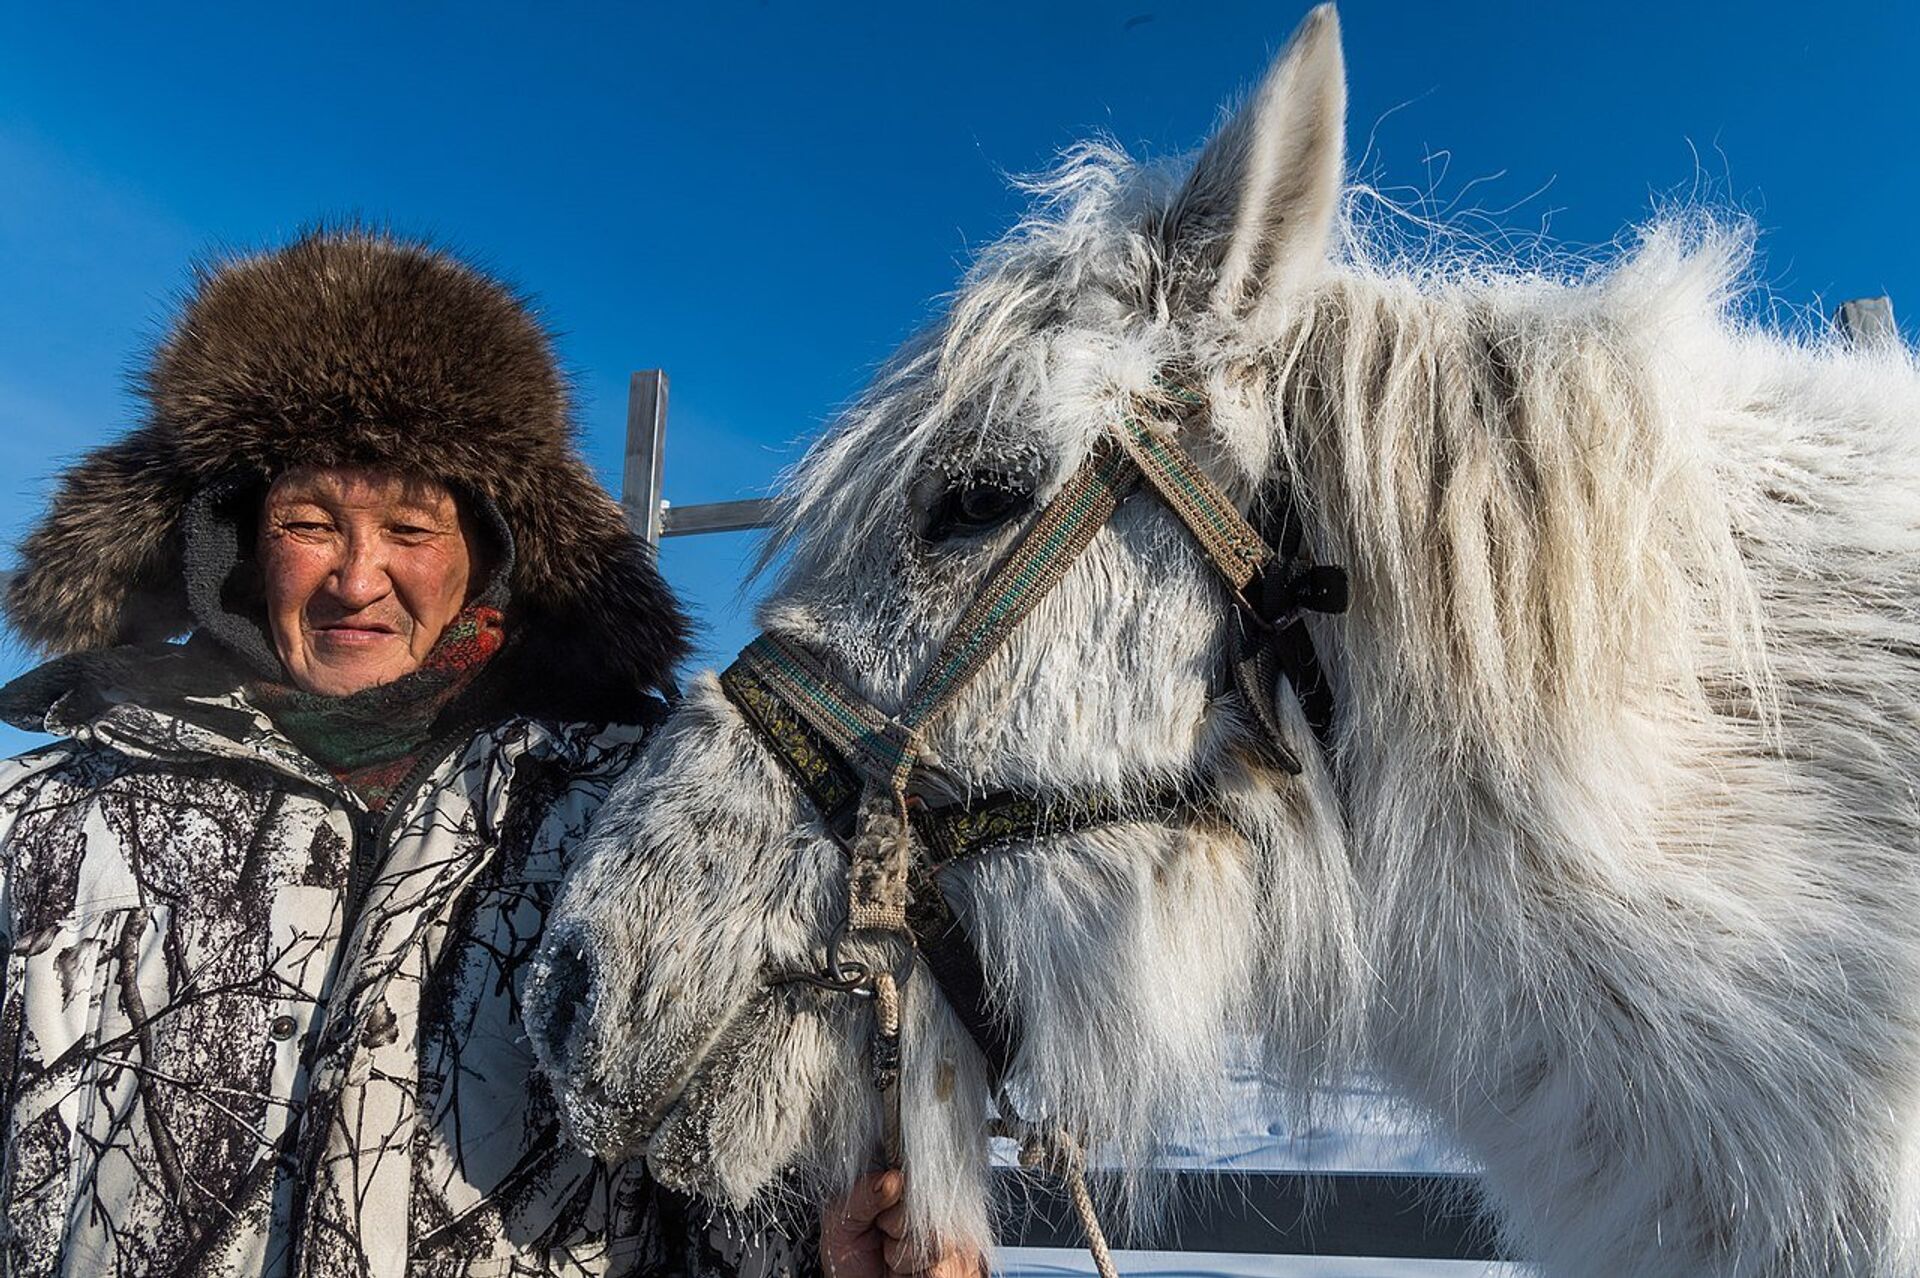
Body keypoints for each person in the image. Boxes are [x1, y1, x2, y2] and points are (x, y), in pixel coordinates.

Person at [0, 227, 955, 1278]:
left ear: (487, 555)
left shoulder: (640, 827)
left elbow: (720, 1186)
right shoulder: (45, 821)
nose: (357, 579)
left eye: (411, 529)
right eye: (311, 522)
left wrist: (825, 1258)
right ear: (234, 545)